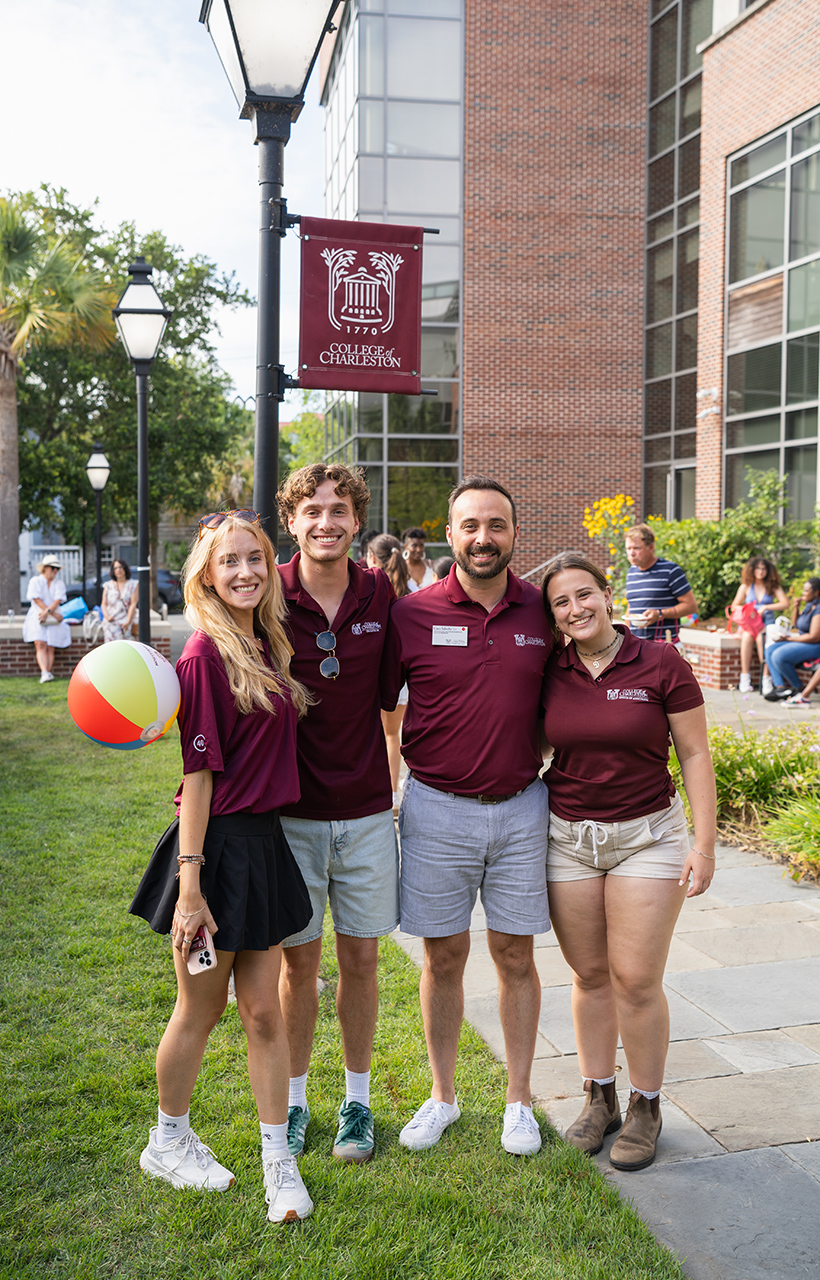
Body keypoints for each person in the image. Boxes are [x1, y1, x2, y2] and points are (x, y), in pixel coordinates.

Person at [129, 511, 315, 1224]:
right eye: (229, 561)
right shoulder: (204, 656)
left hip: (263, 849)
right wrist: (191, 890)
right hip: (215, 853)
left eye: (256, 559)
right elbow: (197, 779)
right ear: (205, 574)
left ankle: (279, 1162)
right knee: (201, 1009)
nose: (245, 571)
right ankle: (167, 1140)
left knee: (265, 1011)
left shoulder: (267, 640)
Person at [387, 476, 553, 1157]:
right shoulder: (412, 614)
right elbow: (374, 709)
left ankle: (519, 1101)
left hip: (521, 808)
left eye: (497, 525)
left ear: (515, 534)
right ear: (449, 535)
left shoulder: (545, 613)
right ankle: (443, 1096)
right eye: (470, 525)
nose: (484, 537)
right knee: (443, 955)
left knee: (516, 953)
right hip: (435, 808)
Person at [541, 551, 716, 1171]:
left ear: (607, 594)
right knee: (590, 977)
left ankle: (646, 1104)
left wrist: (704, 843)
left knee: (636, 980)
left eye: (584, 594)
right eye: (561, 602)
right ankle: (599, 1097)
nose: (575, 609)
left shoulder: (661, 662)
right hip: (568, 840)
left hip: (648, 837)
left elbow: (694, 754)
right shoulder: (549, 670)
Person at [276, 464, 399, 1166]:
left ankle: (357, 1101)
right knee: (300, 969)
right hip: (290, 814)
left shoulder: (380, 593)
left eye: (340, 510)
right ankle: (294, 1104)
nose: (326, 521)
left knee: (361, 960)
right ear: (292, 521)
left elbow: (393, 700)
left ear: (356, 520)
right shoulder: (266, 593)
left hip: (365, 812)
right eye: (312, 510)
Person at [366, 533, 410, 810]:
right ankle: (393, 793)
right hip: (404, 676)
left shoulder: (371, 591)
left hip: (378, 674)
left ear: (371, 558)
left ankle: (384, 791)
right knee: (393, 735)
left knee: (382, 735)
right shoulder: (412, 588)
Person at [624, 524, 697, 643]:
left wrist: (660, 614)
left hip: (664, 646)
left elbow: (691, 606)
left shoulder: (670, 570)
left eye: (636, 548)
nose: (631, 553)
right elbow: (630, 608)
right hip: (637, 646)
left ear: (651, 547)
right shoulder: (631, 572)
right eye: (628, 548)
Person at [729, 557, 789, 696]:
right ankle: (745, 677)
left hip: (766, 624)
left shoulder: (773, 586)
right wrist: (749, 609)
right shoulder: (746, 586)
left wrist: (766, 607)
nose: (760, 572)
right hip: (750, 624)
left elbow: (785, 603)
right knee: (747, 638)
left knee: (762, 640)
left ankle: (765, 678)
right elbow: (734, 606)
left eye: (763, 569)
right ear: (752, 570)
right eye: (758, 568)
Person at [763, 576, 820, 701]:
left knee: (779, 655)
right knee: (770, 649)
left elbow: (814, 637)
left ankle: (797, 687)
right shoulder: (810, 605)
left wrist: (787, 639)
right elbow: (796, 624)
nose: (803, 593)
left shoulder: (819, 609)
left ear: (816, 592)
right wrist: (796, 607)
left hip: (814, 646)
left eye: (806, 591)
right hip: (803, 640)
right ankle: (780, 687)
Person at [22, 554, 71, 682]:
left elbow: (57, 600)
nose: (55, 571)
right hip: (38, 615)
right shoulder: (35, 581)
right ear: (45, 568)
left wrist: (49, 612)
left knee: (51, 645)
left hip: (52, 616)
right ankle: (44, 672)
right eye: (52, 568)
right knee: (40, 643)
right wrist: (49, 613)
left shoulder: (59, 583)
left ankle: (48, 672)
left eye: (57, 569)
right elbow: (36, 599)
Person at [101, 558, 139, 643]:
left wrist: (128, 621)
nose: (119, 570)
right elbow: (104, 604)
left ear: (125, 568)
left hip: (126, 622)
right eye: (116, 568)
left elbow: (133, 604)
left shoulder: (133, 584)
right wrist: (107, 616)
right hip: (111, 623)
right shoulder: (108, 585)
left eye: (121, 567)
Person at [401, 526, 436, 591]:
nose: (418, 550)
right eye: (414, 546)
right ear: (405, 546)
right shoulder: (401, 568)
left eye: (421, 545)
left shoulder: (432, 565)